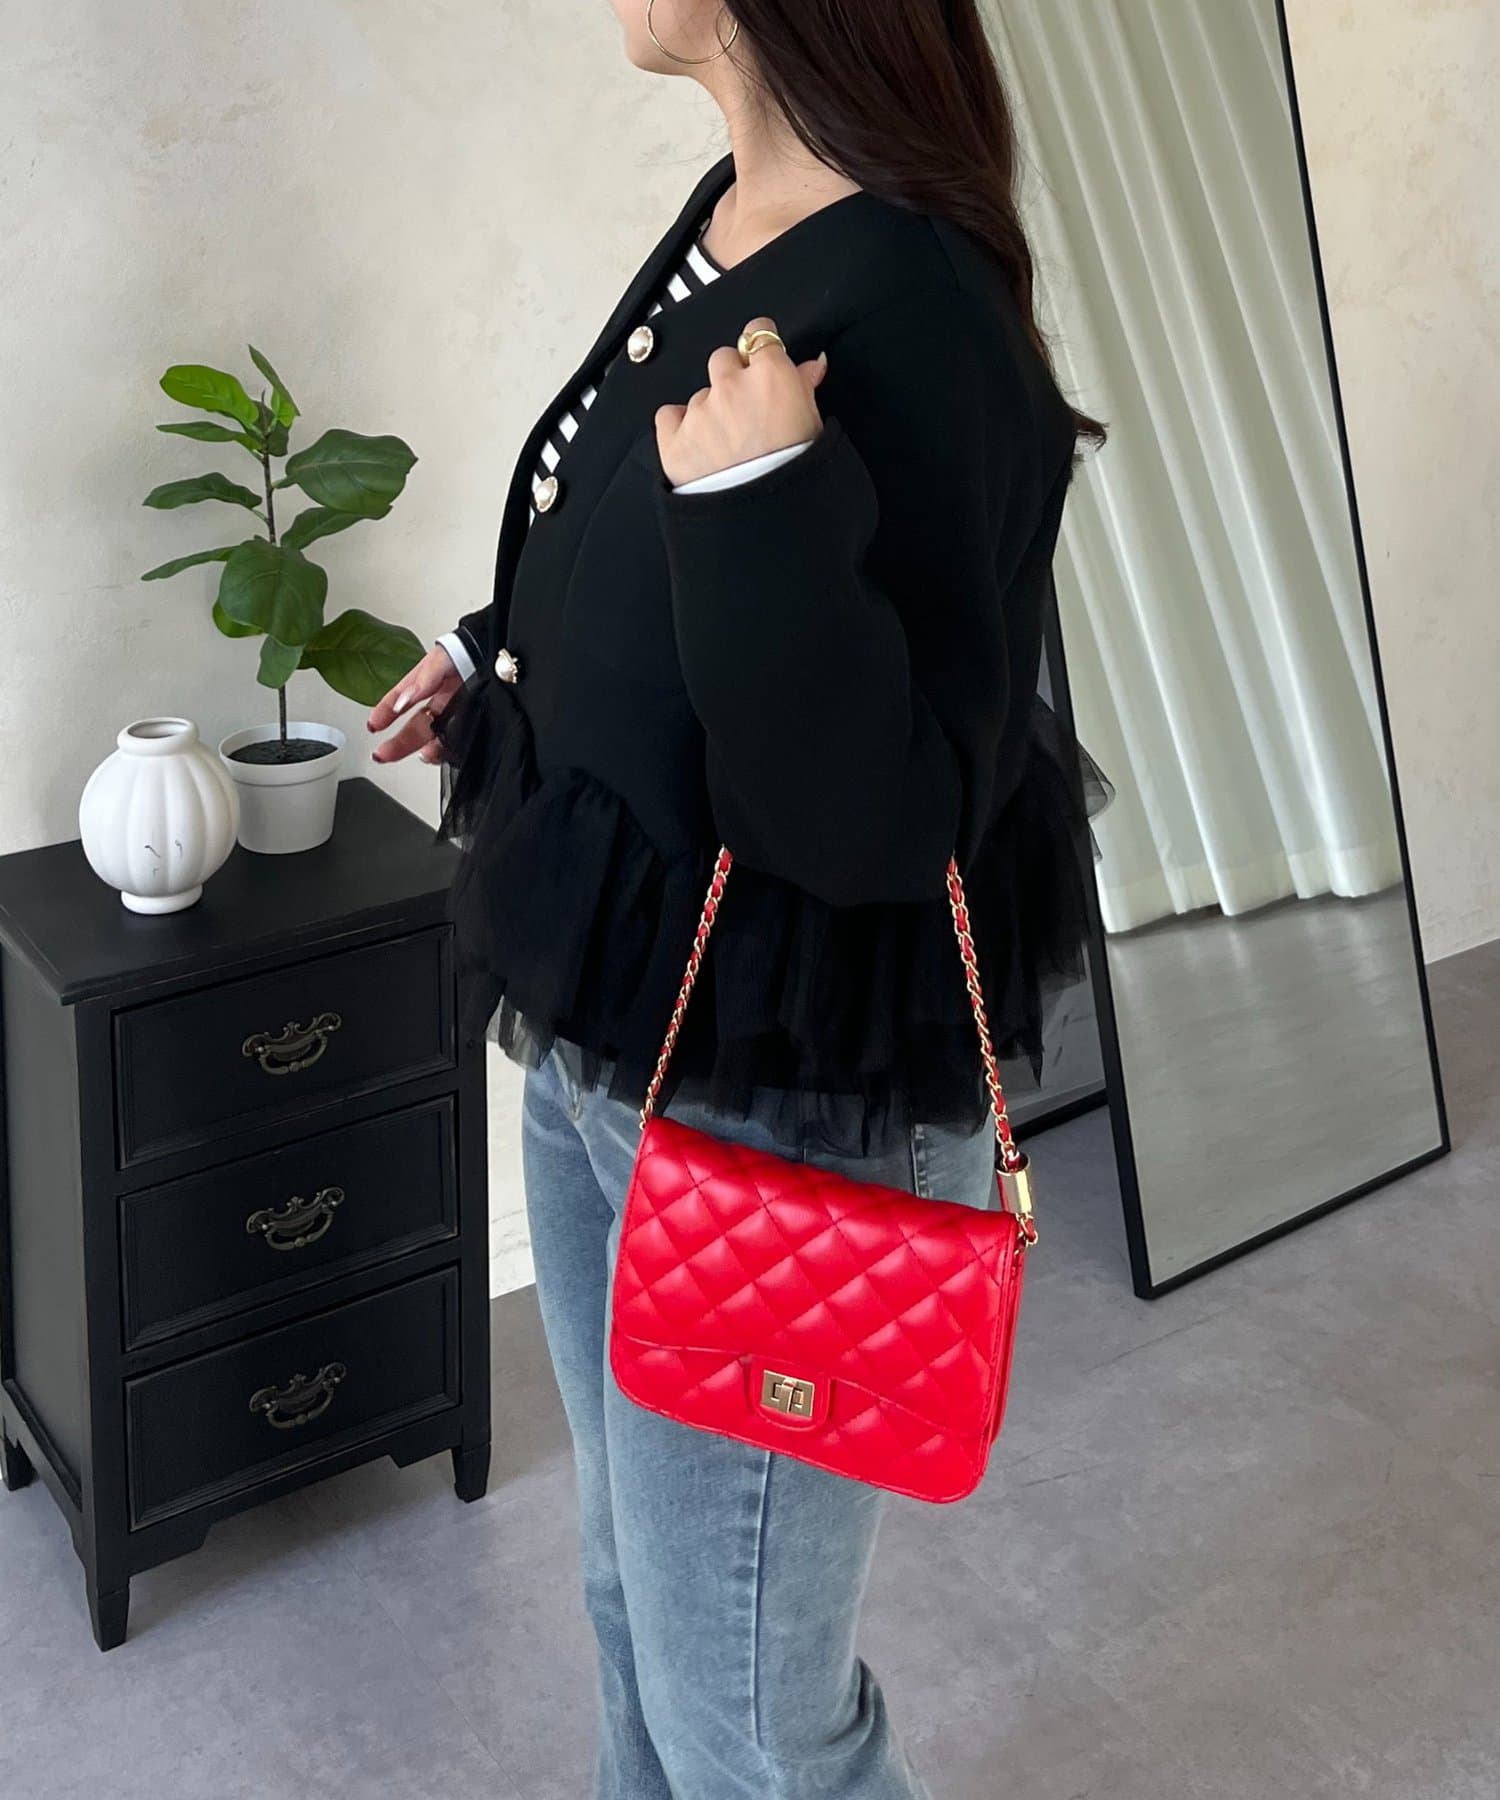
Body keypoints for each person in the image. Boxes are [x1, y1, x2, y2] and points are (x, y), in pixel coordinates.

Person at [368, 3, 1103, 1793]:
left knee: (757, 1729)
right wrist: (508, 653)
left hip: (773, 1099)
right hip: (608, 1045)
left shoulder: (924, 310)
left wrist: (769, 495)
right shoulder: (741, 208)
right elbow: (633, 516)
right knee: (632, 1601)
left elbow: (880, 820)